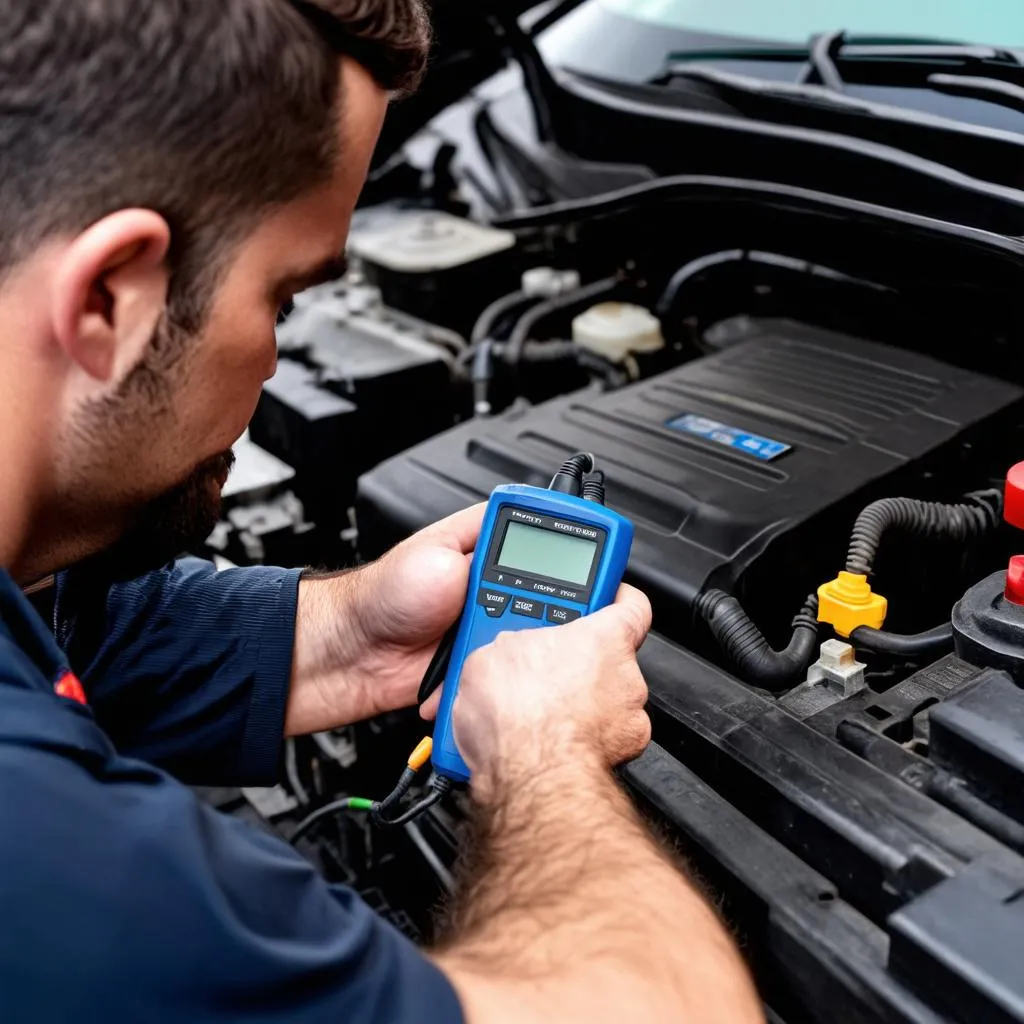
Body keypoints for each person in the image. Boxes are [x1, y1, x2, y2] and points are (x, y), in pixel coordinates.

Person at [0, 1, 763, 1021]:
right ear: (107, 299)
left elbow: (57, 634)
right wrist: (544, 753)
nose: (276, 357)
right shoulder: (53, 859)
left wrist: (342, 635)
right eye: (281, 298)